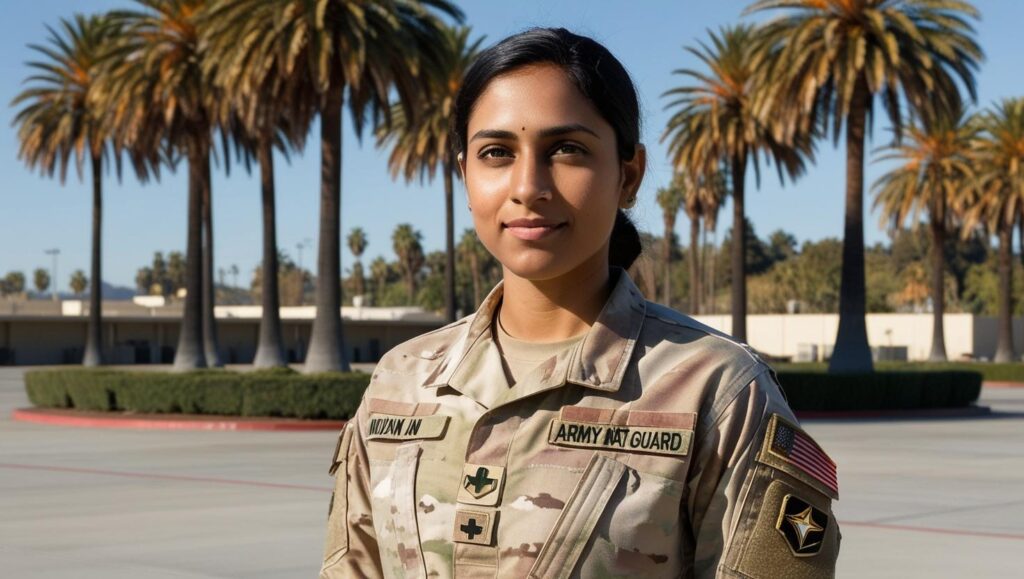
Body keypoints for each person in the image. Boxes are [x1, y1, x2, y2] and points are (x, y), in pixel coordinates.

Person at [320, 27, 840, 579]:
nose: (528, 186)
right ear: (465, 175)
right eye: (496, 152)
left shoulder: (715, 389)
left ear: (629, 175)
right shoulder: (399, 381)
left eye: (566, 149)